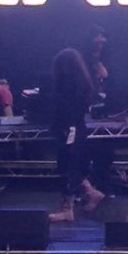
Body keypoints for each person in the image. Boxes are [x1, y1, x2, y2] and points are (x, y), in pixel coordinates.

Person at [48, 43, 105, 214]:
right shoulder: (82, 85)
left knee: (70, 166)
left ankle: (69, 208)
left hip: (71, 128)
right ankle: (89, 194)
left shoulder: (70, 88)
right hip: (74, 127)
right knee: (69, 165)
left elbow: (66, 110)